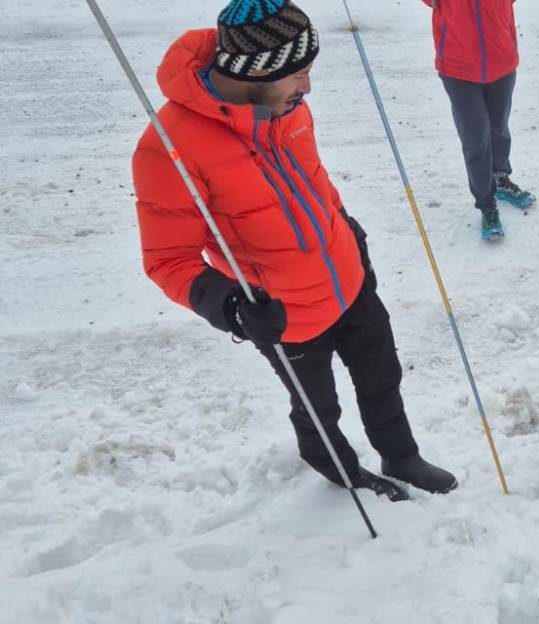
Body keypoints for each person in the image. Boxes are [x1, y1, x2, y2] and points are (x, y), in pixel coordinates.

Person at [132, 0, 458, 500]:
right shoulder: (167, 147)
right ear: (258, 69)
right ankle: (341, 473)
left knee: (382, 378)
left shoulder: (285, 108)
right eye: (299, 73)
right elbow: (167, 260)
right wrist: (234, 310)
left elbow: (312, 180)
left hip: (349, 284)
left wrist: (348, 230)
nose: (307, 87)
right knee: (318, 407)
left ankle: (401, 455)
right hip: (284, 314)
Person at [422, 0, 534, 242]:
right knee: (475, 137)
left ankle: (500, 178)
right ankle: (486, 203)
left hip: (502, 61)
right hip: (458, 69)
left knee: (499, 127)